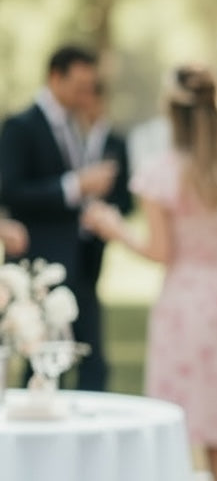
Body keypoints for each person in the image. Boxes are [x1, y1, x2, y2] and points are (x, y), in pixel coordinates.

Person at [83, 66, 217, 481]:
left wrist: (114, 229)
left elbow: (159, 250)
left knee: (177, 428)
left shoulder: (160, 173)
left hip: (185, 306)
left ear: (171, 114)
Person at [0, 45, 119, 388]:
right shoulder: (20, 126)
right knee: (44, 363)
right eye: (80, 85)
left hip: (81, 260)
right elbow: (12, 192)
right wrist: (75, 186)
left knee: (93, 362)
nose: (87, 94)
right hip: (41, 263)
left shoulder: (76, 124)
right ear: (55, 77)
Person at [73, 77, 133, 389]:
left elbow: (127, 198)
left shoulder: (117, 142)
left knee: (88, 300)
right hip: (67, 235)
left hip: (96, 239)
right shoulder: (70, 137)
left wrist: (106, 217)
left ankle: (91, 370)